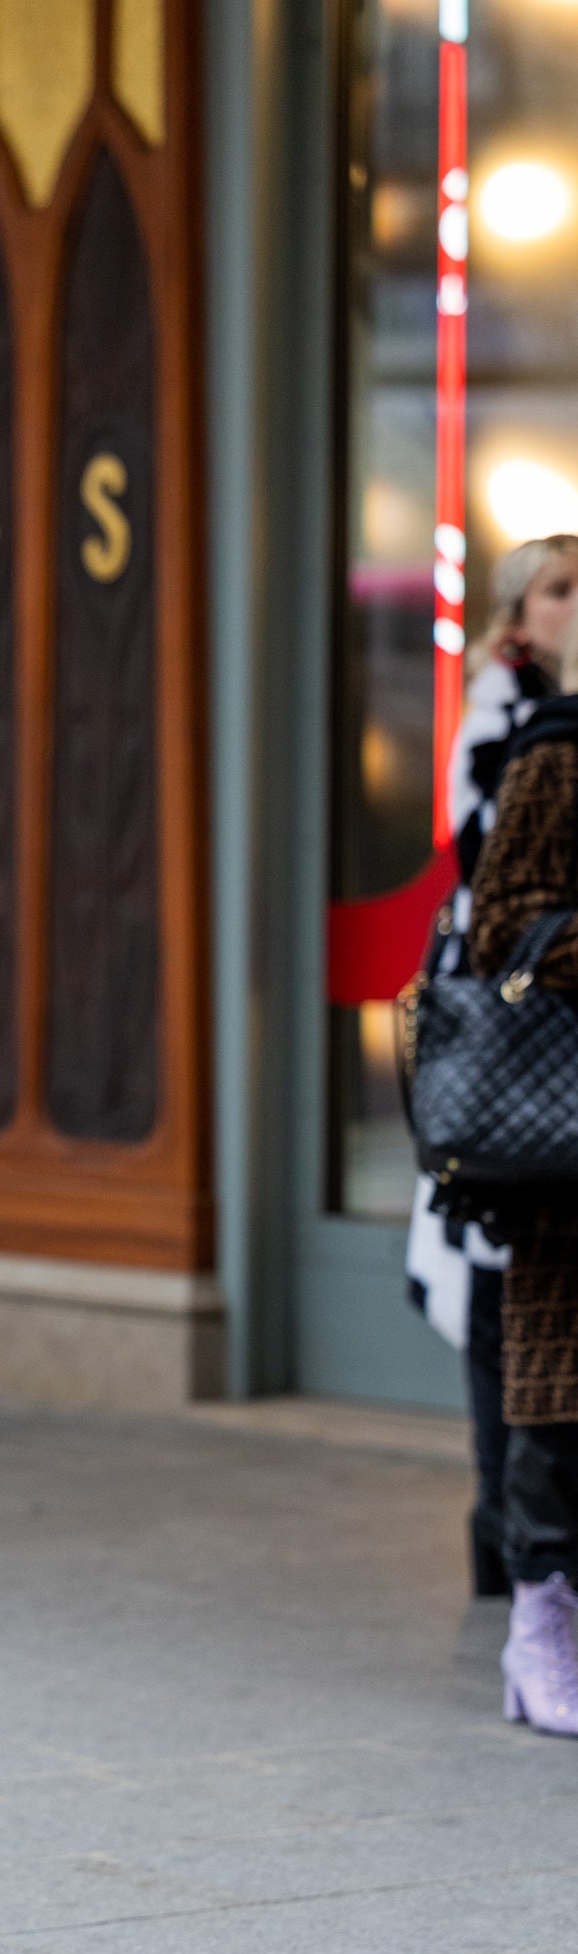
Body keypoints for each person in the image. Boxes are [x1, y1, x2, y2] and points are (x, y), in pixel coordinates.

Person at [406, 534, 578, 1593]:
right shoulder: (513, 718)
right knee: (499, 1283)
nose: (573, 607)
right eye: (558, 589)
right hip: (517, 1030)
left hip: (526, 1018)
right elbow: (493, 890)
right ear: (518, 615)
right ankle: (507, 1542)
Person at [467, 603, 578, 1737]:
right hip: (565, 1129)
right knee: (557, 1390)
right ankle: (538, 1619)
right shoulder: (557, 748)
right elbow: (502, 921)